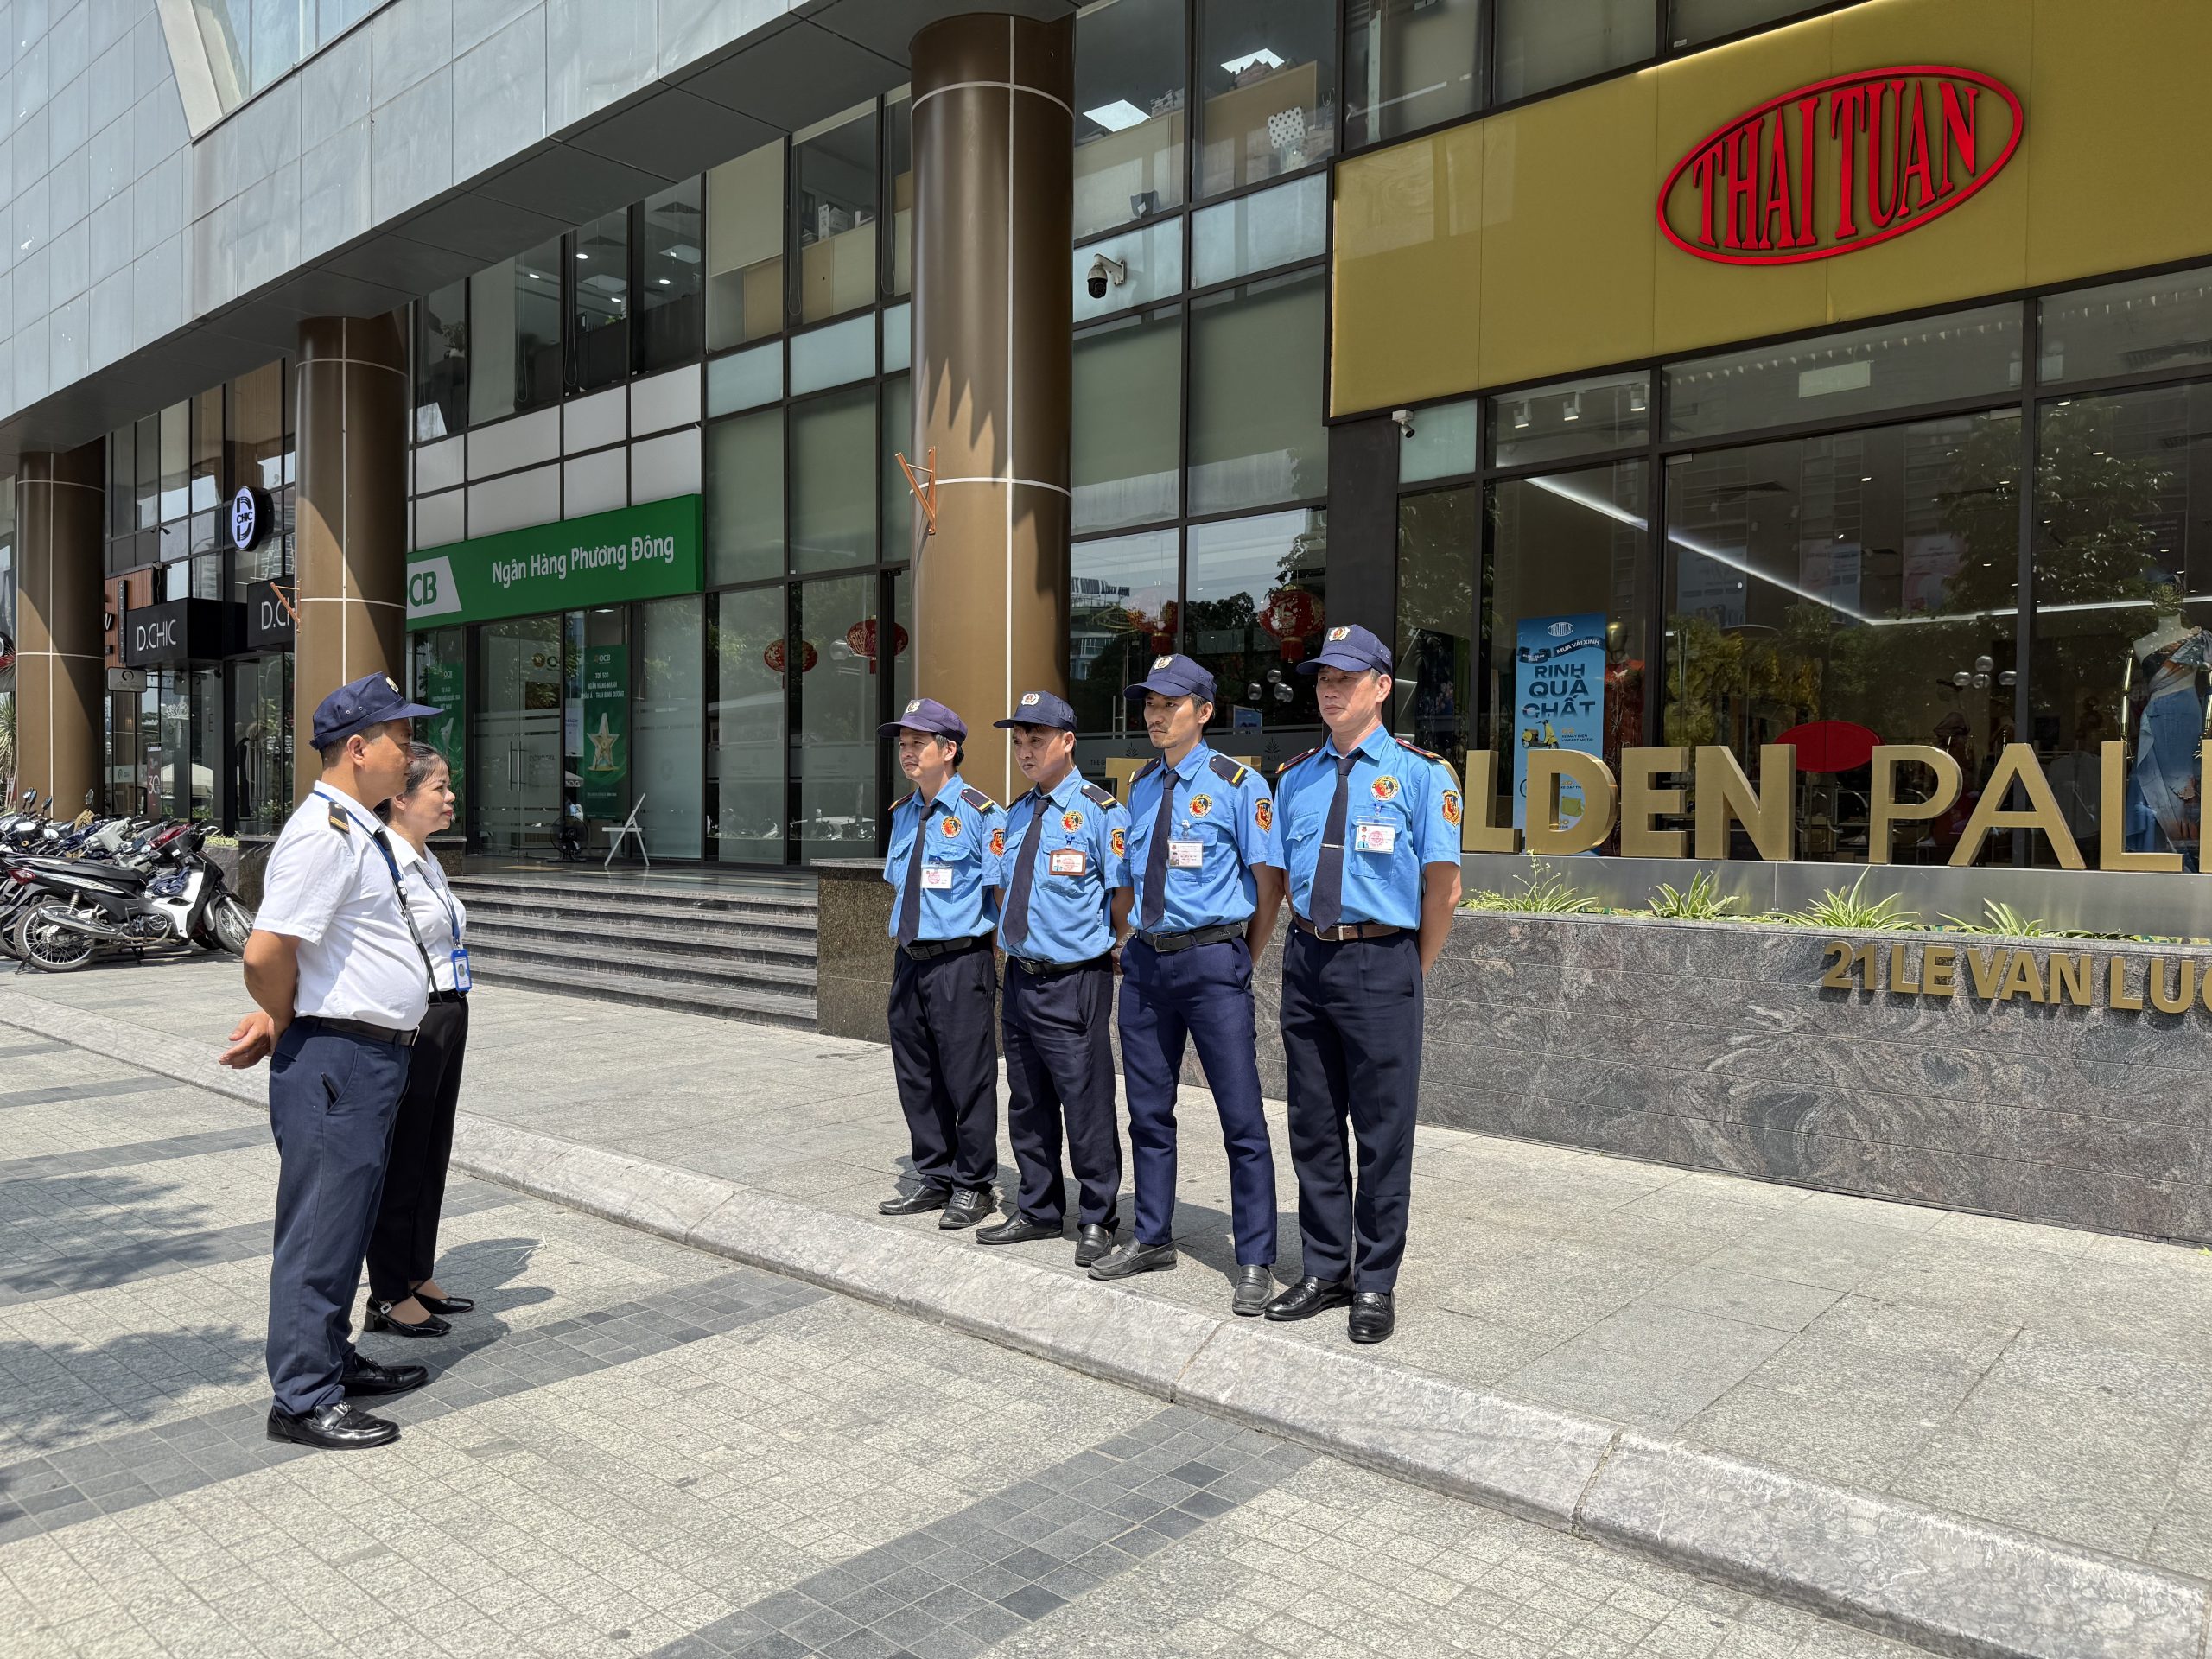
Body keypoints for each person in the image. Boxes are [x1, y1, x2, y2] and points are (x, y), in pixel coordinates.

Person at [219, 671, 445, 1450]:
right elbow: (265, 952)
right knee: (320, 1232)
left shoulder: (359, 829)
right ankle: (303, 1399)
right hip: (339, 1058)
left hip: (367, 1056)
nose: (409, 752)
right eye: (400, 738)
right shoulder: (325, 834)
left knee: (345, 1226)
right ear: (358, 749)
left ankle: (330, 1358)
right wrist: (284, 1017)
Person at [1267, 625, 1462, 1344]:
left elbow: (1443, 889)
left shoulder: (1421, 774)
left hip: (1381, 961)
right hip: (1307, 958)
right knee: (1313, 1125)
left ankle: (1375, 1281)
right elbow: (1280, 879)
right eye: (1324, 678)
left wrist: (1409, 968)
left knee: (1382, 1132)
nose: (1330, 690)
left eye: (1345, 679)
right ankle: (1326, 1269)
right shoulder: (1296, 777)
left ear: (1382, 687)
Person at [1090, 654, 1286, 1318]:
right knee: (1148, 1110)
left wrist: (1240, 958)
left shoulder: (1239, 785)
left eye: (1168, 704)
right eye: (1149, 703)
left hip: (1212, 963)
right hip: (1146, 965)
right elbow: (1128, 878)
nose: (1155, 714)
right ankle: (1152, 1236)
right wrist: (1126, 938)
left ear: (1203, 711)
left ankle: (1255, 1255)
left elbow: (1268, 886)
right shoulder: (1142, 785)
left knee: (1241, 1115)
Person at [978, 690, 1128, 1267]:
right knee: (1028, 1100)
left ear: (1067, 742)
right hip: (1021, 976)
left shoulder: (1099, 812)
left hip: (1074, 980)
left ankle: (1097, 1216)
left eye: (1036, 739)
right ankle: (1038, 1207)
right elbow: (1002, 887)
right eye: (1018, 741)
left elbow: (1121, 896)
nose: (1024, 750)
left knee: (1084, 1100)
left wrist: (1096, 944)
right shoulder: (1015, 813)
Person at [876, 697, 1005, 1230]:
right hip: (910, 958)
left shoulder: (982, 815)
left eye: (918, 743)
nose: (907, 753)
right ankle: (934, 1174)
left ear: (948, 750)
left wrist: (989, 958)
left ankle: (973, 1183)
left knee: (967, 1076)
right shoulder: (904, 812)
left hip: (960, 961)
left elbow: (1000, 895)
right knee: (917, 1072)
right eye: (903, 744)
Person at [364, 745, 474, 1338]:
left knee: (432, 1149)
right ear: (401, 799)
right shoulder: (380, 860)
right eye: (439, 787)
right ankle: (386, 1292)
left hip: (449, 1008)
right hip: (412, 1017)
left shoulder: (427, 859)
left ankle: (415, 1272)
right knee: (403, 1152)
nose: (451, 797)